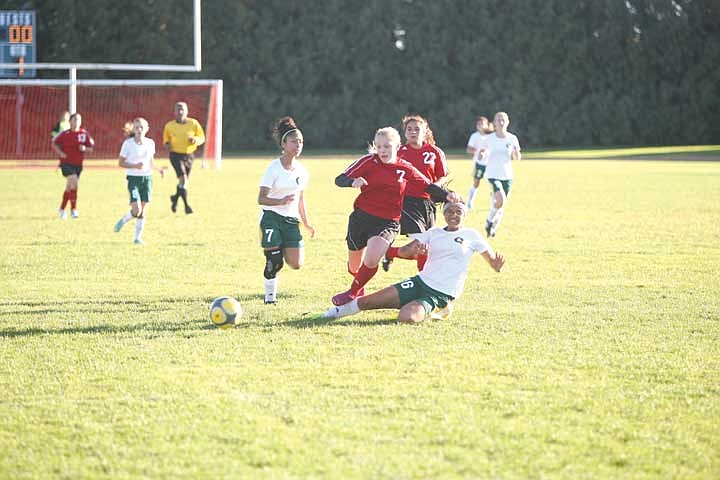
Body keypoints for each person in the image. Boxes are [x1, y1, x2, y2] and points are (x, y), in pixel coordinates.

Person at [331, 126, 459, 307]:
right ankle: (358, 286)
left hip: (388, 222)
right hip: (361, 218)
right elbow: (339, 179)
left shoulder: (404, 167)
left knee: (372, 258)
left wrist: (447, 195)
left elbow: (427, 186)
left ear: (397, 147)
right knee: (354, 266)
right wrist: (353, 182)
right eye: (379, 146)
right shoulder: (368, 161)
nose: (383, 151)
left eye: (387, 147)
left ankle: (352, 293)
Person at [323, 201, 505, 323]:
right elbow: (404, 251)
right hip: (420, 282)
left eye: (458, 212)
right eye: (449, 211)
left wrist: (496, 265)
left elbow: (490, 259)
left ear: (464, 215)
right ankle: (333, 313)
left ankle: (438, 308)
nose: (453, 215)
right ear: (444, 214)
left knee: (406, 318)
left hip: (440, 293)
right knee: (366, 302)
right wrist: (414, 251)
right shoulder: (433, 233)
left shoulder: (471, 235)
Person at [258, 116, 315, 304]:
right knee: (275, 261)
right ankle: (270, 298)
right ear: (284, 144)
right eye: (293, 141)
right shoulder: (273, 168)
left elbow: (301, 198)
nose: (298, 145)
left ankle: (278, 245)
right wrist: (280, 200)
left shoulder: (302, 171)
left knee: (296, 264)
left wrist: (306, 223)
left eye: (301, 141)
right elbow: (261, 198)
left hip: (291, 221)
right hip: (271, 217)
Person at [382, 114, 448, 273]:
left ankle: (390, 253)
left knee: (425, 247)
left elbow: (443, 175)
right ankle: (423, 279)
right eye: (409, 129)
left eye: (417, 129)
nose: (413, 132)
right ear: (404, 133)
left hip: (428, 203)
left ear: (425, 131)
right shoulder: (400, 152)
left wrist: (435, 187)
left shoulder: (434, 151)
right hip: (407, 202)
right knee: (421, 242)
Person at [113, 117, 166, 245]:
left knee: (143, 210)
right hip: (133, 179)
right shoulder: (128, 143)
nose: (139, 129)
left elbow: (151, 162)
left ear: (147, 129)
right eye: (137, 127)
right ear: (133, 129)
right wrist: (135, 166)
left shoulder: (150, 143)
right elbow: (121, 163)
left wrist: (159, 170)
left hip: (147, 179)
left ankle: (137, 238)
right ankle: (125, 220)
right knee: (136, 210)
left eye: (142, 127)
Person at [477, 111, 521, 237]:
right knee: (500, 199)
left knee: (500, 205)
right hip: (492, 174)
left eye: (503, 120)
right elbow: (483, 152)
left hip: (507, 175)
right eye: (498, 120)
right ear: (494, 123)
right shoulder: (489, 138)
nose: (501, 122)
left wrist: (516, 153)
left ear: (507, 122)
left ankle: (492, 228)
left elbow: (517, 157)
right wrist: (482, 154)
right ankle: (490, 221)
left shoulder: (512, 138)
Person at [163, 101, 206, 214]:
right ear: (174, 112)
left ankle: (175, 199)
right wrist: (167, 145)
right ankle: (187, 206)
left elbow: (202, 137)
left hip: (189, 155)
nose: (180, 112)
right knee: (183, 179)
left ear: (187, 111)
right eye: (178, 109)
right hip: (175, 155)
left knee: (183, 181)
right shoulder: (169, 126)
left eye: (182, 109)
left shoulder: (193, 123)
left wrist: (195, 140)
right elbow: (165, 140)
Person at [51, 113, 95, 219]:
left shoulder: (84, 134)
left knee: (69, 187)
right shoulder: (65, 134)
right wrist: (60, 153)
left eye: (79, 120)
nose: (77, 122)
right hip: (66, 163)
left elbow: (91, 148)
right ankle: (73, 210)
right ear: (70, 122)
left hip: (78, 165)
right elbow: (54, 143)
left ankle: (62, 209)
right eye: (75, 120)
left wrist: (85, 149)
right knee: (74, 183)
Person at [466, 115, 494, 209]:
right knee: (476, 182)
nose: (480, 126)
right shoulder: (474, 136)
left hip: (490, 163)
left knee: (492, 183)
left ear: (487, 125)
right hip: (479, 163)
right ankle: (469, 202)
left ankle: (494, 203)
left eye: (482, 124)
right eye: (478, 124)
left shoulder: (492, 136)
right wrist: (478, 151)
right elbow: (469, 149)